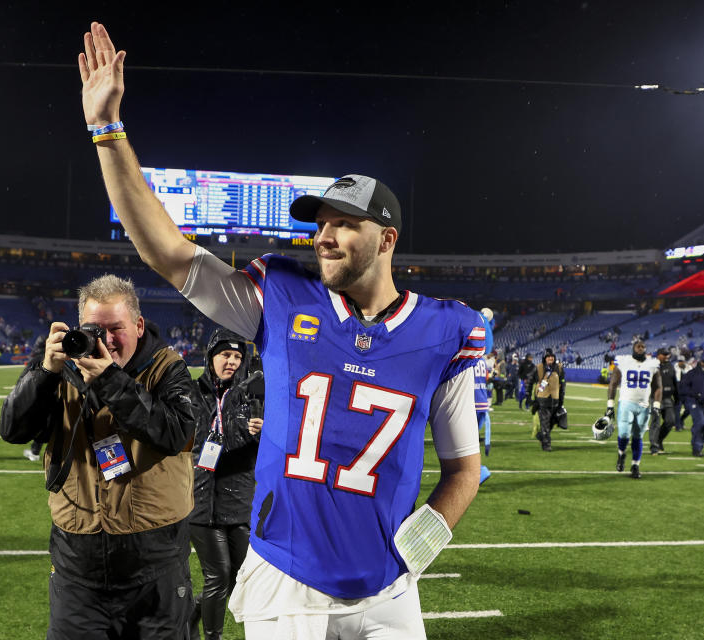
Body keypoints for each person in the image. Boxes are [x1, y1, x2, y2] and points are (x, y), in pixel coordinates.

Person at [78, 22, 482, 638]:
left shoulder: (445, 330)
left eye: (344, 224)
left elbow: (463, 469)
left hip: (389, 587)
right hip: (287, 577)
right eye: (319, 223)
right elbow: (168, 252)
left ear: (387, 239)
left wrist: (423, 541)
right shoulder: (282, 296)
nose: (324, 236)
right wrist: (107, 133)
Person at [0, 274, 201, 640]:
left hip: (154, 562)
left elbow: (176, 433)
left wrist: (109, 379)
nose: (106, 340)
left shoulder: (167, 367)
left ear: (139, 326)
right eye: (96, 329)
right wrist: (45, 371)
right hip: (77, 563)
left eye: (116, 328)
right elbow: (14, 430)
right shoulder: (58, 368)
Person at [189, 330, 263, 640]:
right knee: (217, 575)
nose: (231, 361)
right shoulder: (192, 392)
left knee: (237, 576)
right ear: (210, 358)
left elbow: (267, 446)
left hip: (239, 499)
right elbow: (194, 438)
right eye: (225, 355)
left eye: (237, 357)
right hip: (202, 498)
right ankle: (213, 637)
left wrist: (260, 432)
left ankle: (190, 615)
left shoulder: (253, 395)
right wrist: (240, 431)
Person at [604, 340, 661, 478]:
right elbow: (613, 383)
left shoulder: (652, 364)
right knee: (623, 434)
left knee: (638, 436)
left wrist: (657, 406)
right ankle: (621, 453)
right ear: (633, 348)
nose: (640, 349)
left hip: (643, 405)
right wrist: (610, 405)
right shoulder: (623, 361)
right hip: (626, 403)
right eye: (638, 346)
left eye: (643, 347)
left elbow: (658, 386)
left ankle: (635, 465)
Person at [648, 347, 679, 455]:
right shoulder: (651, 365)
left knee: (671, 421)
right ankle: (654, 447)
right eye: (664, 354)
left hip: (667, 398)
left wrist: (677, 397)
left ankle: (658, 440)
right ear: (658, 355)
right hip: (655, 397)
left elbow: (674, 382)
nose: (667, 356)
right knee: (656, 421)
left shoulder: (670, 366)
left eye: (668, 354)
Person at [533, 351, 561, 452]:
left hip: (555, 400)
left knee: (553, 421)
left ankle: (541, 435)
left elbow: (562, 384)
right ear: (544, 358)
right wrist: (532, 398)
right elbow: (534, 382)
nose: (550, 358)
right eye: (548, 356)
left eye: (552, 356)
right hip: (543, 399)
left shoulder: (558, 368)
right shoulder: (539, 367)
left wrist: (561, 400)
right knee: (544, 422)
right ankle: (546, 444)